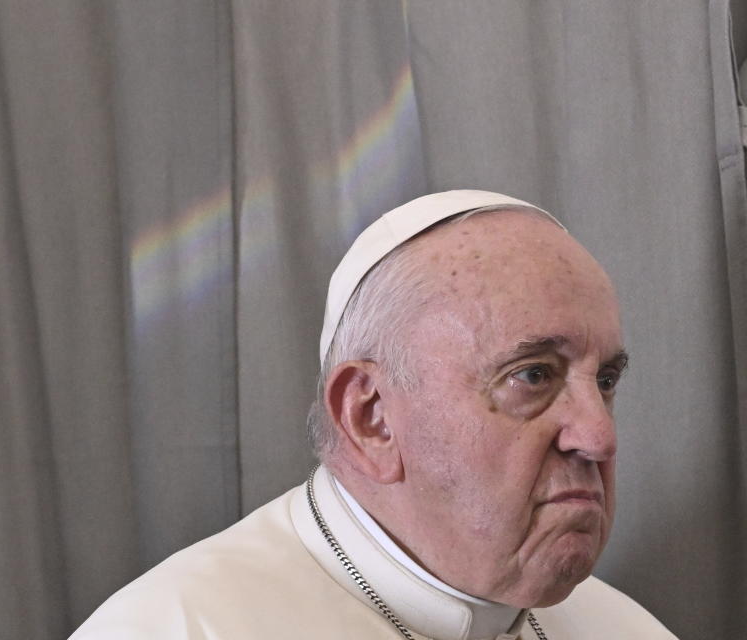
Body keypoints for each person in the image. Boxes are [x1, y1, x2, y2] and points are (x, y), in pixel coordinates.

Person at [70, 190, 678, 639]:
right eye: (533, 376)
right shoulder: (176, 626)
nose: (599, 435)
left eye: (605, 380)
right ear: (371, 419)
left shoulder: (624, 628)